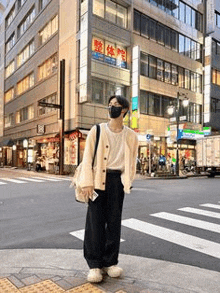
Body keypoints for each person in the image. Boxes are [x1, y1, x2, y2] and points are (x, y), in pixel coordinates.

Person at [79, 95, 138, 283]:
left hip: (116, 181)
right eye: (110, 104)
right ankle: (94, 265)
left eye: (116, 105)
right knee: (95, 223)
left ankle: (110, 262)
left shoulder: (131, 135)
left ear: (124, 111)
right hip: (96, 181)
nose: (111, 107)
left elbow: (132, 161)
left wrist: (126, 181)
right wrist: (87, 182)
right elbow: (87, 158)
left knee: (114, 223)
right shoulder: (97, 130)